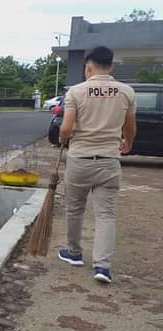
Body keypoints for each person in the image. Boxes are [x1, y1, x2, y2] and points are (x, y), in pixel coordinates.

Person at [58, 46, 136, 284]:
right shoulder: (126, 92)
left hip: (80, 160)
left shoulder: (76, 92)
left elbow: (66, 128)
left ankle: (74, 252)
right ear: (111, 66)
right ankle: (102, 267)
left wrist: (63, 140)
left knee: (75, 208)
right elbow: (130, 126)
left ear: (88, 67)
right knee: (106, 214)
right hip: (109, 161)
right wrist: (128, 143)